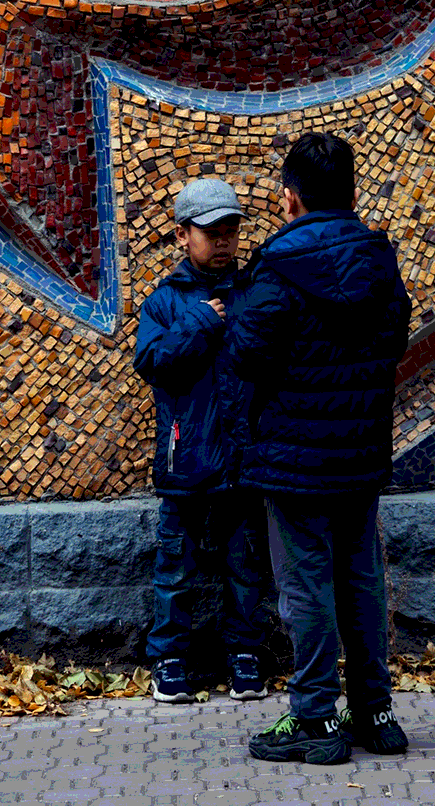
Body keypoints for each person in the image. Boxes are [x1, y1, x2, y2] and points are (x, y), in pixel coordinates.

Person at [227, 131, 412, 766]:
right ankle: (375, 715)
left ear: (290, 197)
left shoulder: (278, 266)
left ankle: (314, 718)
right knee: (361, 580)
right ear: (351, 193)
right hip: (360, 451)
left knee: (305, 586)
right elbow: (395, 341)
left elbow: (246, 354)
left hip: (293, 457)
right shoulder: (379, 261)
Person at [133, 177, 272, 705]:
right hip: (185, 459)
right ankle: (169, 660)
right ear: (182, 235)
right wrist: (197, 322)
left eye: (230, 231)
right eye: (211, 232)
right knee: (174, 569)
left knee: (245, 566)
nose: (223, 241)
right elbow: (152, 363)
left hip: (243, 460)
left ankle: (246, 654)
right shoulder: (165, 303)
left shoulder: (253, 294)